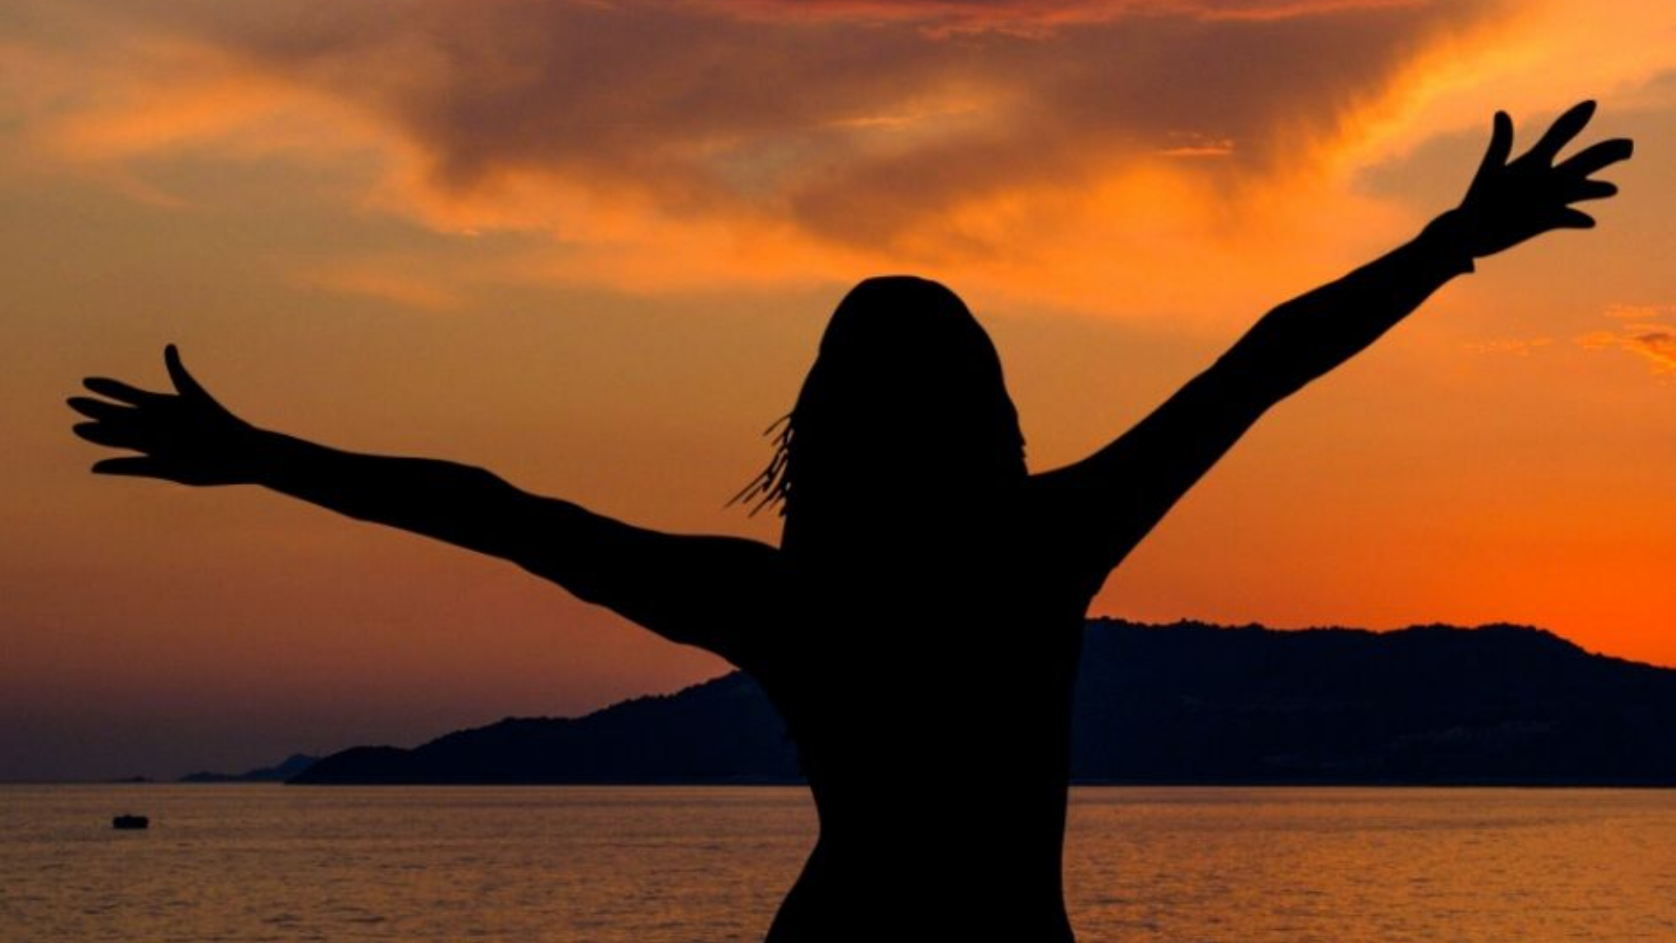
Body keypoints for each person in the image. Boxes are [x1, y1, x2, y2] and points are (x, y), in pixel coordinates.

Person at [69, 101, 1631, 941]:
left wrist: (263, 455)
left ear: (821, 432)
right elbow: (1261, 363)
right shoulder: (1041, 547)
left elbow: (505, 514)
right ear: (989, 412)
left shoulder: (792, 603)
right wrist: (1450, 239)